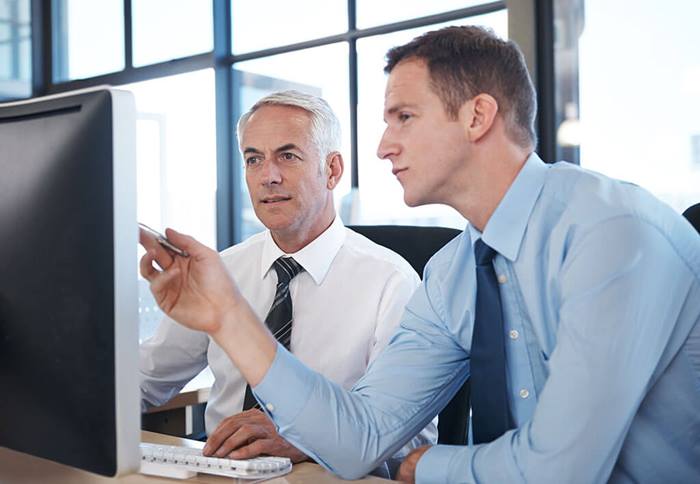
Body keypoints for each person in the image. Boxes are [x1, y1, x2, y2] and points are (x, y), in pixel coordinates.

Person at [139, 27, 700, 483]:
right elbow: (358, 440)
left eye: (403, 117)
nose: (383, 146)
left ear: (477, 117)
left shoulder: (609, 233)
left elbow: (560, 471)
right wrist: (228, 317)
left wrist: (430, 465)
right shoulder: (455, 271)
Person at [139, 90, 436, 476]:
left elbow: (412, 440)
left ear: (332, 170)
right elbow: (146, 378)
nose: (268, 176)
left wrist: (312, 435)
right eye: (253, 159)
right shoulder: (222, 270)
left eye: (288, 156)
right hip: (222, 472)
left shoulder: (390, 282)